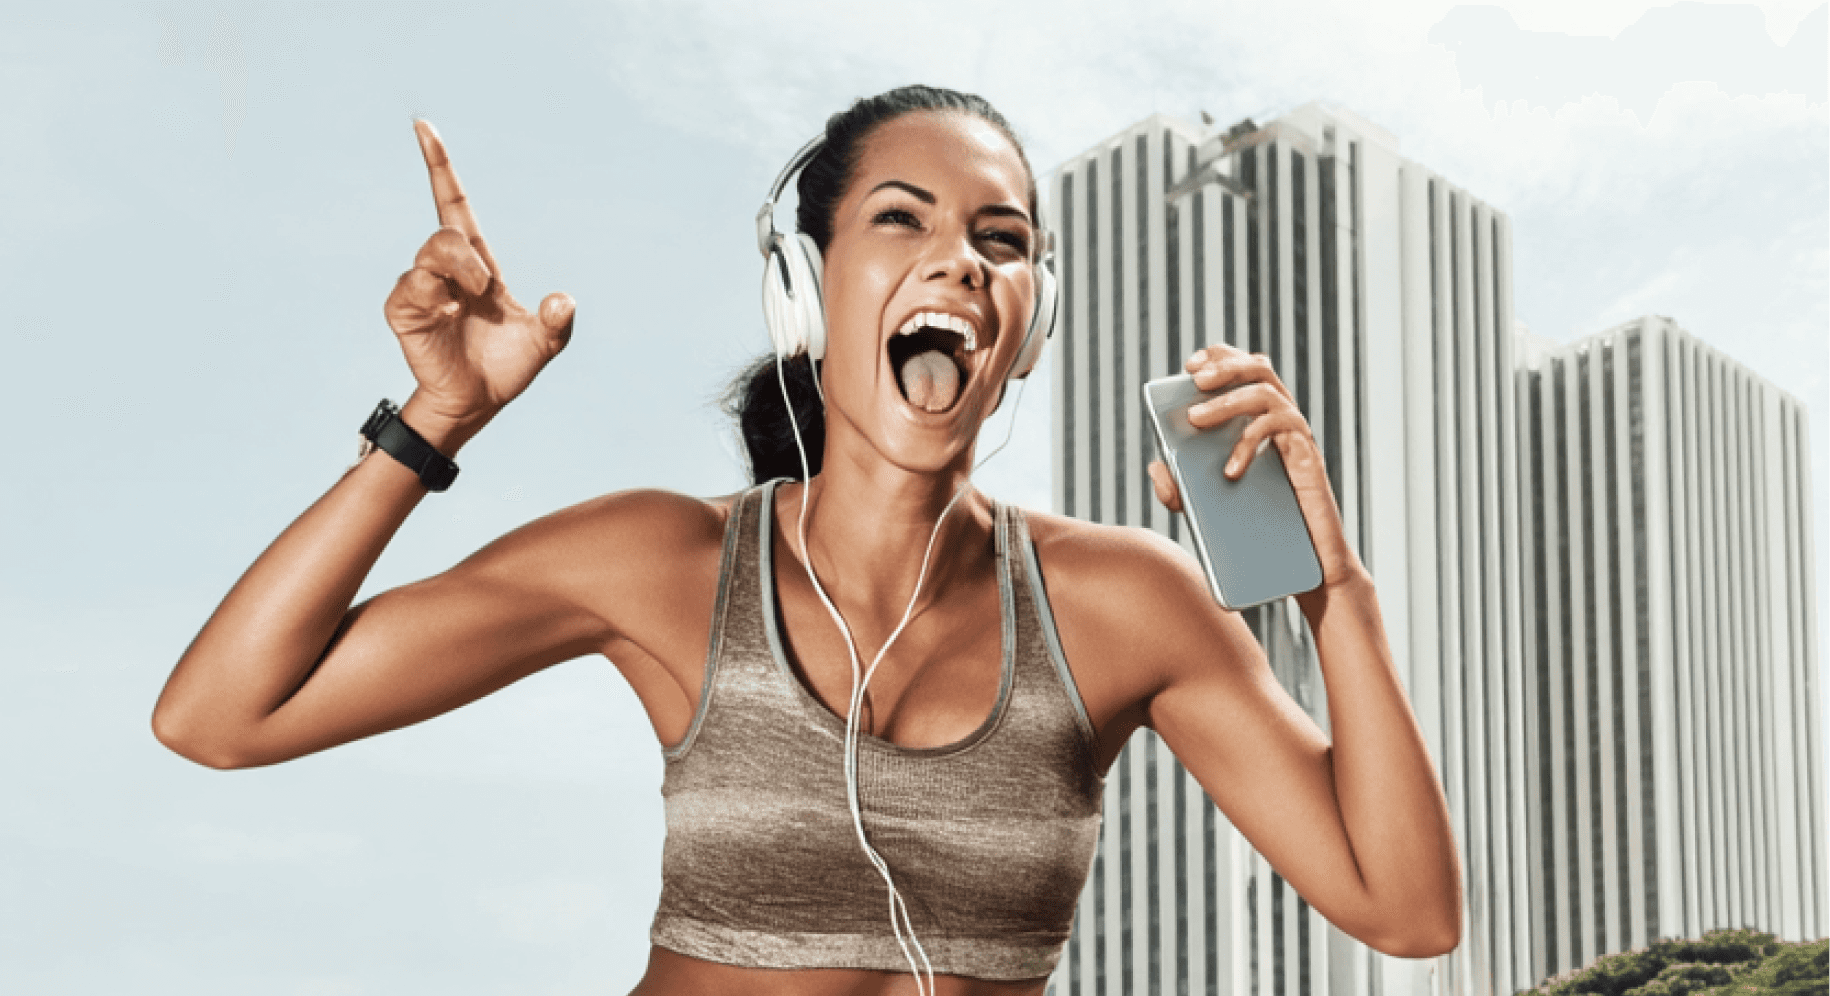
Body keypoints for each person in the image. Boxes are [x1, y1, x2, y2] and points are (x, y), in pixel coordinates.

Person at [152, 85, 1462, 995]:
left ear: (1031, 324)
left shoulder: (1124, 601)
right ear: (804, 290)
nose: (960, 262)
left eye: (1000, 241)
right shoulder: (660, 566)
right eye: (901, 219)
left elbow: (1404, 912)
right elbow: (220, 716)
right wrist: (435, 422)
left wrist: (1330, 585)